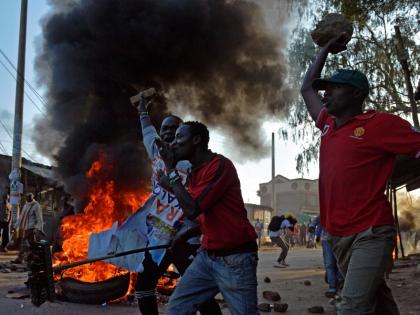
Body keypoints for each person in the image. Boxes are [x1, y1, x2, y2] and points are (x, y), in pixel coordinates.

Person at [301, 32, 420, 314]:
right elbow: (307, 88)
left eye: (334, 87)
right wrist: (325, 50)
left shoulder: (380, 124)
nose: (326, 93)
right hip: (337, 235)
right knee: (377, 301)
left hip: (371, 232)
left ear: (356, 93)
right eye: (326, 88)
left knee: (351, 307)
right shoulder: (328, 124)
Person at [157, 121, 259, 315]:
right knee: (177, 309)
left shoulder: (219, 166)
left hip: (234, 259)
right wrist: (183, 235)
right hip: (207, 256)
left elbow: (193, 209)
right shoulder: (194, 174)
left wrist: (171, 173)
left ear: (196, 140)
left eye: (180, 137)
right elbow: (208, 215)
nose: (173, 143)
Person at [134, 98, 221, 315]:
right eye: (166, 128)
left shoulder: (194, 162)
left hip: (186, 237)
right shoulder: (157, 152)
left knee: (199, 293)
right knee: (144, 286)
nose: (169, 132)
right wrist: (143, 111)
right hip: (159, 237)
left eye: (175, 129)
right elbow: (147, 131)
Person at [11, 193, 43, 264]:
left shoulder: (36, 206)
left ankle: (21, 259)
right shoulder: (26, 205)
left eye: (29, 197)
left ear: (32, 197)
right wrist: (15, 227)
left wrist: (38, 228)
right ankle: (32, 259)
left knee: (25, 243)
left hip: (32, 228)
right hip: (25, 227)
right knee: (31, 244)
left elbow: (39, 218)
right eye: (27, 197)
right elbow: (21, 217)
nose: (28, 198)